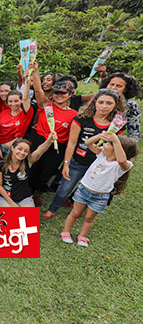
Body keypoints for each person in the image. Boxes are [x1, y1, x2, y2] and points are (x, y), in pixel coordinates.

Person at [42, 90, 125, 218]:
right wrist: (66, 164)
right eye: (101, 102)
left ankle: (82, 211)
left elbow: (116, 148)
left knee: (91, 190)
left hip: (98, 166)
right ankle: (52, 209)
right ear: (94, 102)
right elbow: (72, 143)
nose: (104, 106)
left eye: (109, 103)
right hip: (77, 163)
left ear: (115, 105)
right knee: (64, 189)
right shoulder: (81, 119)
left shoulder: (117, 125)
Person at [60, 133, 137, 247]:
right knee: (75, 213)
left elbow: (121, 160)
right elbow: (87, 143)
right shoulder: (101, 154)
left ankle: (82, 236)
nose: (104, 145)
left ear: (117, 149)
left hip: (100, 196)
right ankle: (65, 232)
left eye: (108, 144)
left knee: (89, 218)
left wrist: (115, 140)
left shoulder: (123, 164)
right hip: (84, 190)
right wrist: (100, 136)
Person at [27, 61, 78, 204]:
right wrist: (35, 72)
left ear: (70, 94)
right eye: (56, 93)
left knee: (47, 169)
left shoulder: (74, 115)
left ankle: (38, 191)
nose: (59, 96)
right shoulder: (46, 105)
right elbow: (38, 91)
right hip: (39, 140)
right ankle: (28, 188)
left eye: (63, 93)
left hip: (57, 146)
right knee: (33, 165)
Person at [0, 133, 56, 207]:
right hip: (6, 197)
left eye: (26, 151)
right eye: (19, 149)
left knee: (24, 218)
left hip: (24, 197)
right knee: (10, 215)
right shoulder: (0, 165)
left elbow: (39, 151)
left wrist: (49, 141)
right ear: (12, 148)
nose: (22, 153)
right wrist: (12, 203)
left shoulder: (28, 162)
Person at [0, 79, 34, 159]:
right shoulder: (3, 113)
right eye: (10, 101)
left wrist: (27, 82)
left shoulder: (25, 114)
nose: (13, 104)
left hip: (14, 150)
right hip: (0, 149)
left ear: (21, 101)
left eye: (16, 101)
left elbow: (26, 99)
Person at [98, 72, 141, 139]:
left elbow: (134, 132)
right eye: (111, 84)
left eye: (119, 86)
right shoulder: (98, 100)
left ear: (126, 89)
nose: (113, 88)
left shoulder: (131, 106)